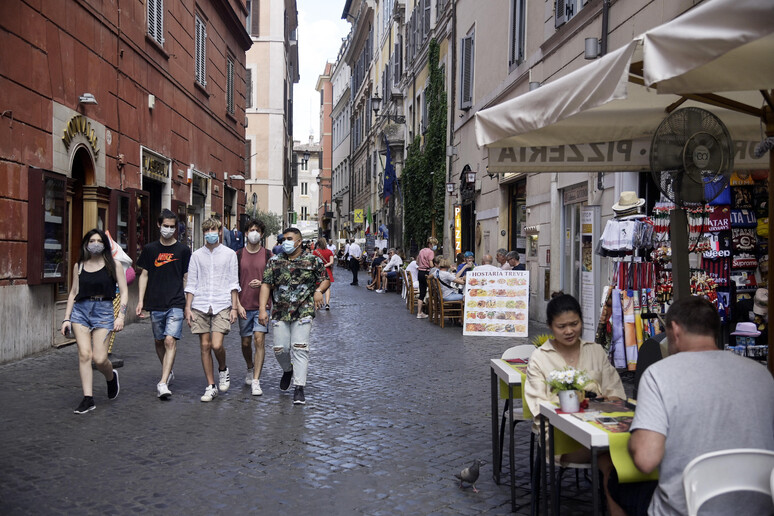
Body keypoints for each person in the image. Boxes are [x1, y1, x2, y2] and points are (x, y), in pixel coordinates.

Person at [628, 296, 774, 516]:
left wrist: (634, 439)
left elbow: (646, 460)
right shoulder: (762, 375)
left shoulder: (659, 375)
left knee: (615, 482)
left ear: (675, 330)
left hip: (685, 509)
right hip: (757, 508)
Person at [524, 294, 627, 516]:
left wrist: (601, 401)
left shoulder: (595, 351)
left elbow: (616, 395)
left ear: (582, 321)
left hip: (603, 432)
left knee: (638, 455)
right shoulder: (540, 358)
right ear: (551, 327)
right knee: (612, 460)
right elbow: (538, 408)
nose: (569, 331)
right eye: (562, 326)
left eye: (574, 324)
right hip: (563, 440)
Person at [258, 227, 330, 405]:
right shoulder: (274, 261)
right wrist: (262, 309)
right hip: (280, 312)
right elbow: (266, 284)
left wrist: (319, 291)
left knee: (300, 347)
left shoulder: (312, 260)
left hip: (303, 311)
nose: (285, 242)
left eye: (289, 239)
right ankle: (287, 370)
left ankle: (299, 388)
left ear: (299, 242)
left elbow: (325, 278)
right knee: (280, 349)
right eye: (283, 239)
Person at [61, 229, 128, 414]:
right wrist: (66, 318)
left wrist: (121, 316)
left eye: (99, 240)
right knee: (84, 354)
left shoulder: (113, 265)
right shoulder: (79, 266)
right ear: (86, 243)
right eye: (92, 240)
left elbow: (123, 291)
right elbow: (73, 293)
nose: (95, 243)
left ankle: (110, 376)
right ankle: (88, 399)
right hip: (80, 311)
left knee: (99, 359)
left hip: (104, 312)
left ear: (104, 244)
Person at [135, 209, 192, 400]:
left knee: (169, 340)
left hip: (176, 301)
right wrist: (141, 300)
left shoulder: (183, 251)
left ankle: (163, 382)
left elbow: (186, 277)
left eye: (172, 227)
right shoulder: (150, 249)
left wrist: (188, 304)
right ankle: (168, 372)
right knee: (159, 341)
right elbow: (144, 274)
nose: (169, 229)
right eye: (165, 226)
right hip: (155, 301)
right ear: (159, 225)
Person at [184, 217, 240, 402]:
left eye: (213, 230)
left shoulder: (230, 254)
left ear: (220, 231)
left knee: (216, 344)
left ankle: (223, 369)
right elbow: (191, 283)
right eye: (207, 231)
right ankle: (210, 386)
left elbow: (234, 282)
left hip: (222, 303)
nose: (210, 234)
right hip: (200, 303)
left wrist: (234, 307)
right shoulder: (196, 255)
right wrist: (188, 306)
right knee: (205, 345)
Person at [235, 218, 272, 396]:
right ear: (246, 233)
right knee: (245, 342)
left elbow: (274, 280)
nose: (254, 233)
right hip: (244, 305)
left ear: (262, 234)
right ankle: (249, 366)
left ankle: (256, 380)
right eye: (251, 230)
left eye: (257, 230)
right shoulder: (238, 255)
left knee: (259, 339)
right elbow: (232, 283)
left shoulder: (268, 255)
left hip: (262, 306)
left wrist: (264, 283)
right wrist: (237, 305)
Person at [415, 237, 437, 319]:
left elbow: (417, 261)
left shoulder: (421, 250)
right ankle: (434, 312)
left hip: (420, 272)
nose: (435, 246)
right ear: (430, 244)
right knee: (432, 291)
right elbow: (431, 264)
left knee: (422, 293)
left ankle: (419, 313)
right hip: (427, 272)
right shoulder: (431, 252)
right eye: (434, 244)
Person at [313, 237, 335, 309]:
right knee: (327, 287)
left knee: (318, 287)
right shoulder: (329, 251)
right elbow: (331, 262)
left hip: (318, 271)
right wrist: (325, 266)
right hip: (327, 270)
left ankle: (318, 305)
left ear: (318, 244)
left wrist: (321, 266)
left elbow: (314, 262)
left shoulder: (315, 252)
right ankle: (327, 304)